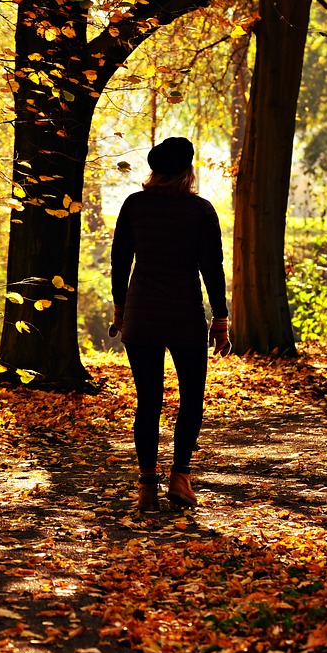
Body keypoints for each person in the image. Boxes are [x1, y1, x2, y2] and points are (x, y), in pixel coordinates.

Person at [109, 136, 230, 513]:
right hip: (185, 315)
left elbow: (119, 261)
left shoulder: (134, 205)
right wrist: (220, 319)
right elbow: (212, 268)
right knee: (192, 397)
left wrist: (120, 308)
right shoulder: (200, 211)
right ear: (187, 171)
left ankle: (147, 487)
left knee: (149, 400)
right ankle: (180, 477)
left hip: (142, 312)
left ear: (154, 170)